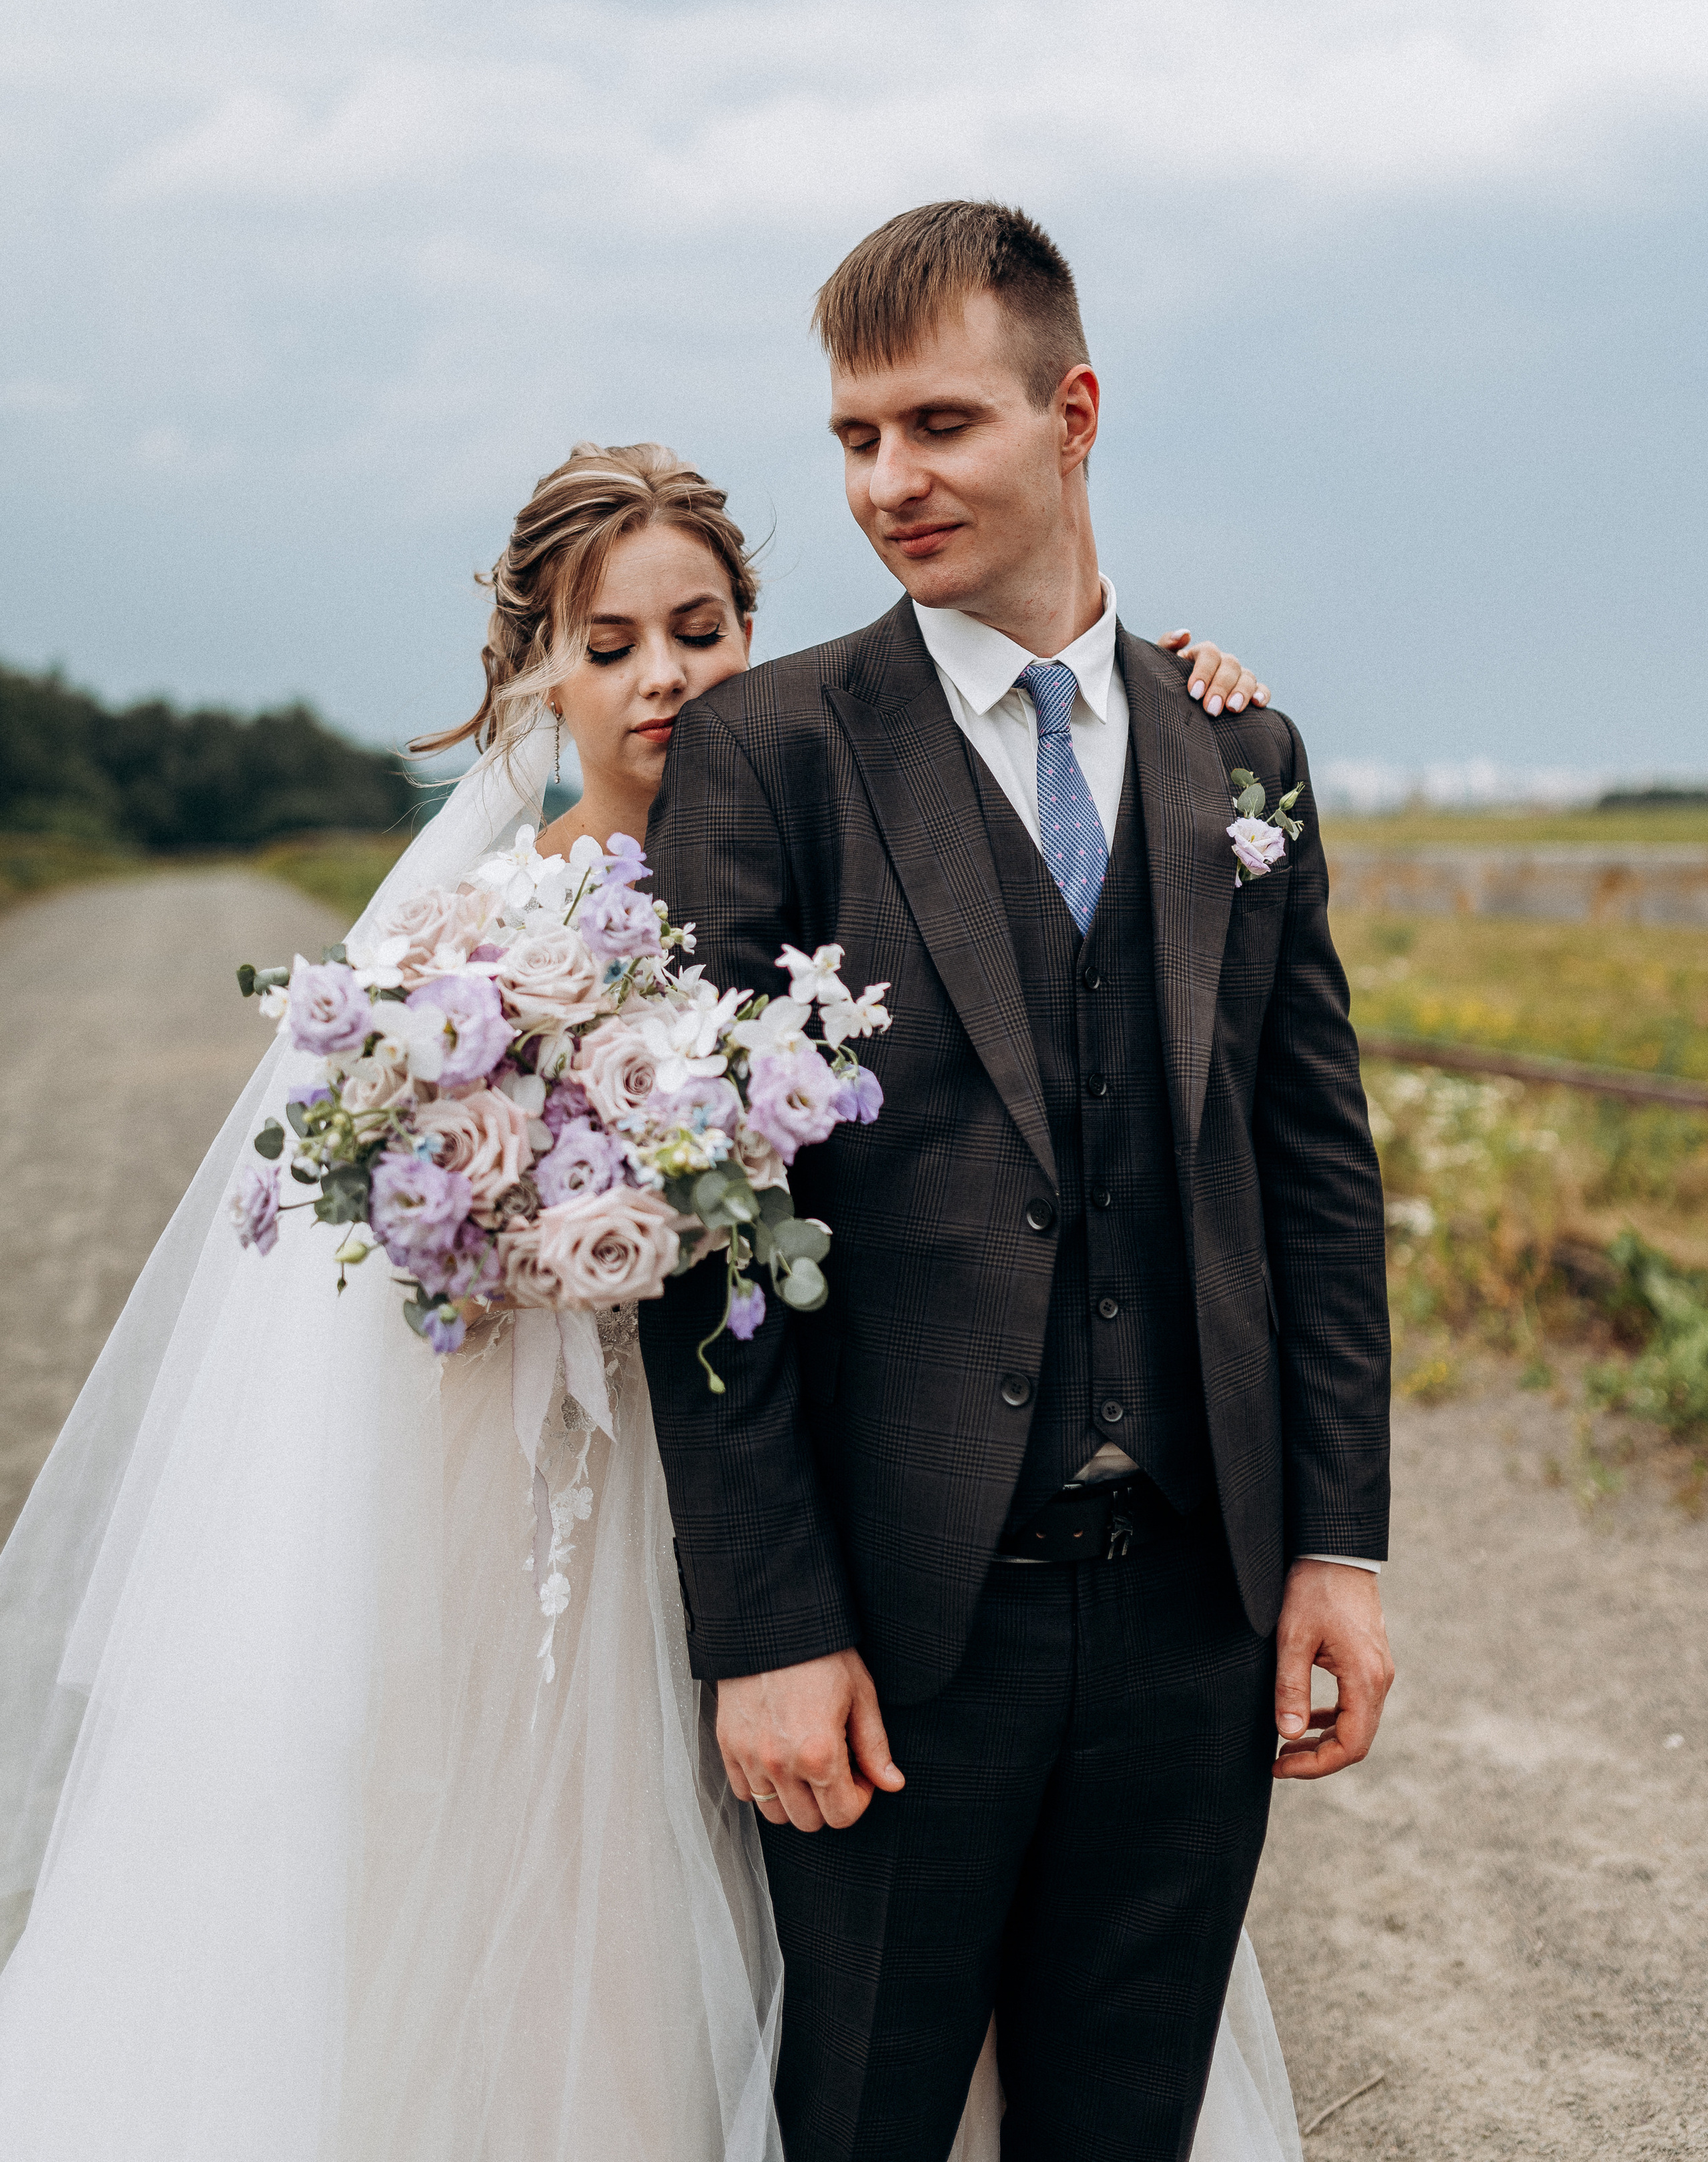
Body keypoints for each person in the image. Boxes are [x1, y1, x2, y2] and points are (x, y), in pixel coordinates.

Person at [0, 422, 1301, 2162]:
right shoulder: (472, 946)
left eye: (701, 630)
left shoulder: (847, 864)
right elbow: (398, 1289)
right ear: (534, 668)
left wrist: (1170, 692)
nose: (661, 679)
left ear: (757, 633)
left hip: (844, 1514)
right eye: (606, 645)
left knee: (883, 1970)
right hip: (574, 1531)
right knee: (593, 1953)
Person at [638, 202, 1395, 2162]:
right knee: (866, 2125)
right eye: (856, 439)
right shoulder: (770, 751)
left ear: (1073, 414)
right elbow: (703, 1238)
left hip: (1195, 1618)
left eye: (940, 426)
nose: (891, 482)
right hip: (894, 1636)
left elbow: (1311, 1176)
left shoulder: (1242, 754)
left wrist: (1339, 1548)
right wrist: (769, 1629)